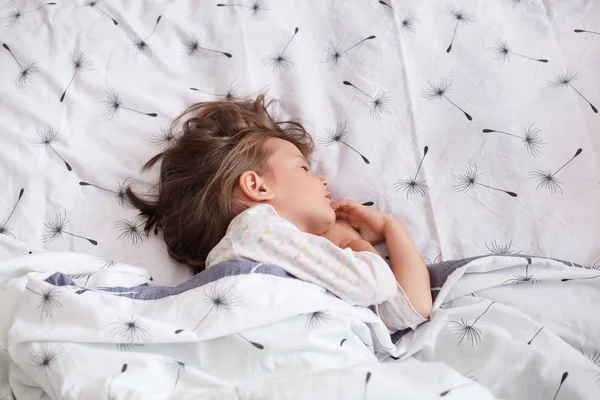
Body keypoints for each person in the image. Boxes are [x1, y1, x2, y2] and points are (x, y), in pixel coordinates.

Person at [127, 95, 432, 333]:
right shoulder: (253, 230)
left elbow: (409, 311)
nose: (323, 181)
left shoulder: (293, 253)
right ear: (256, 187)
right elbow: (372, 284)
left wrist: (393, 229)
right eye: (303, 168)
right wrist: (351, 242)